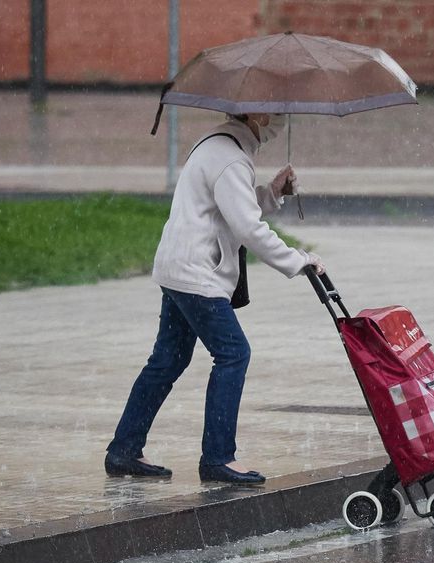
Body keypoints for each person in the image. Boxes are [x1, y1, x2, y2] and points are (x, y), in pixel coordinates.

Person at [104, 112, 323, 484]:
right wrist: (298, 261)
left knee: (167, 360)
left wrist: (271, 192)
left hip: (177, 267)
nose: (279, 122)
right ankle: (218, 458)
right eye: (276, 115)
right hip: (196, 273)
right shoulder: (232, 158)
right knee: (234, 353)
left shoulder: (216, 144)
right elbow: (248, 228)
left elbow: (228, 207)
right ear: (257, 114)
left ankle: (124, 449)